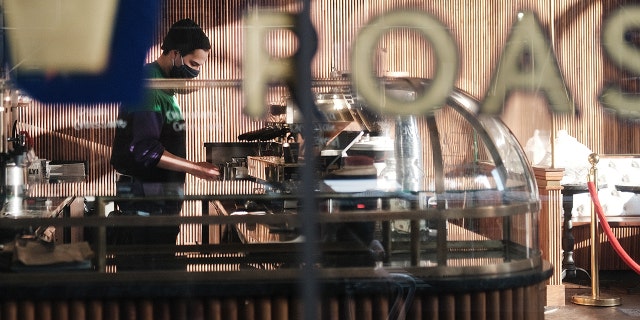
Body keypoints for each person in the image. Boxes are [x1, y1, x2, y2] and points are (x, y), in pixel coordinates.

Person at [109, 18, 220, 270]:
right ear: (174, 54)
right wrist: (196, 168)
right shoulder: (151, 85)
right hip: (146, 205)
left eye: (200, 66)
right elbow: (145, 148)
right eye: (193, 64)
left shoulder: (164, 88)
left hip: (159, 203)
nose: (195, 72)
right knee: (147, 285)